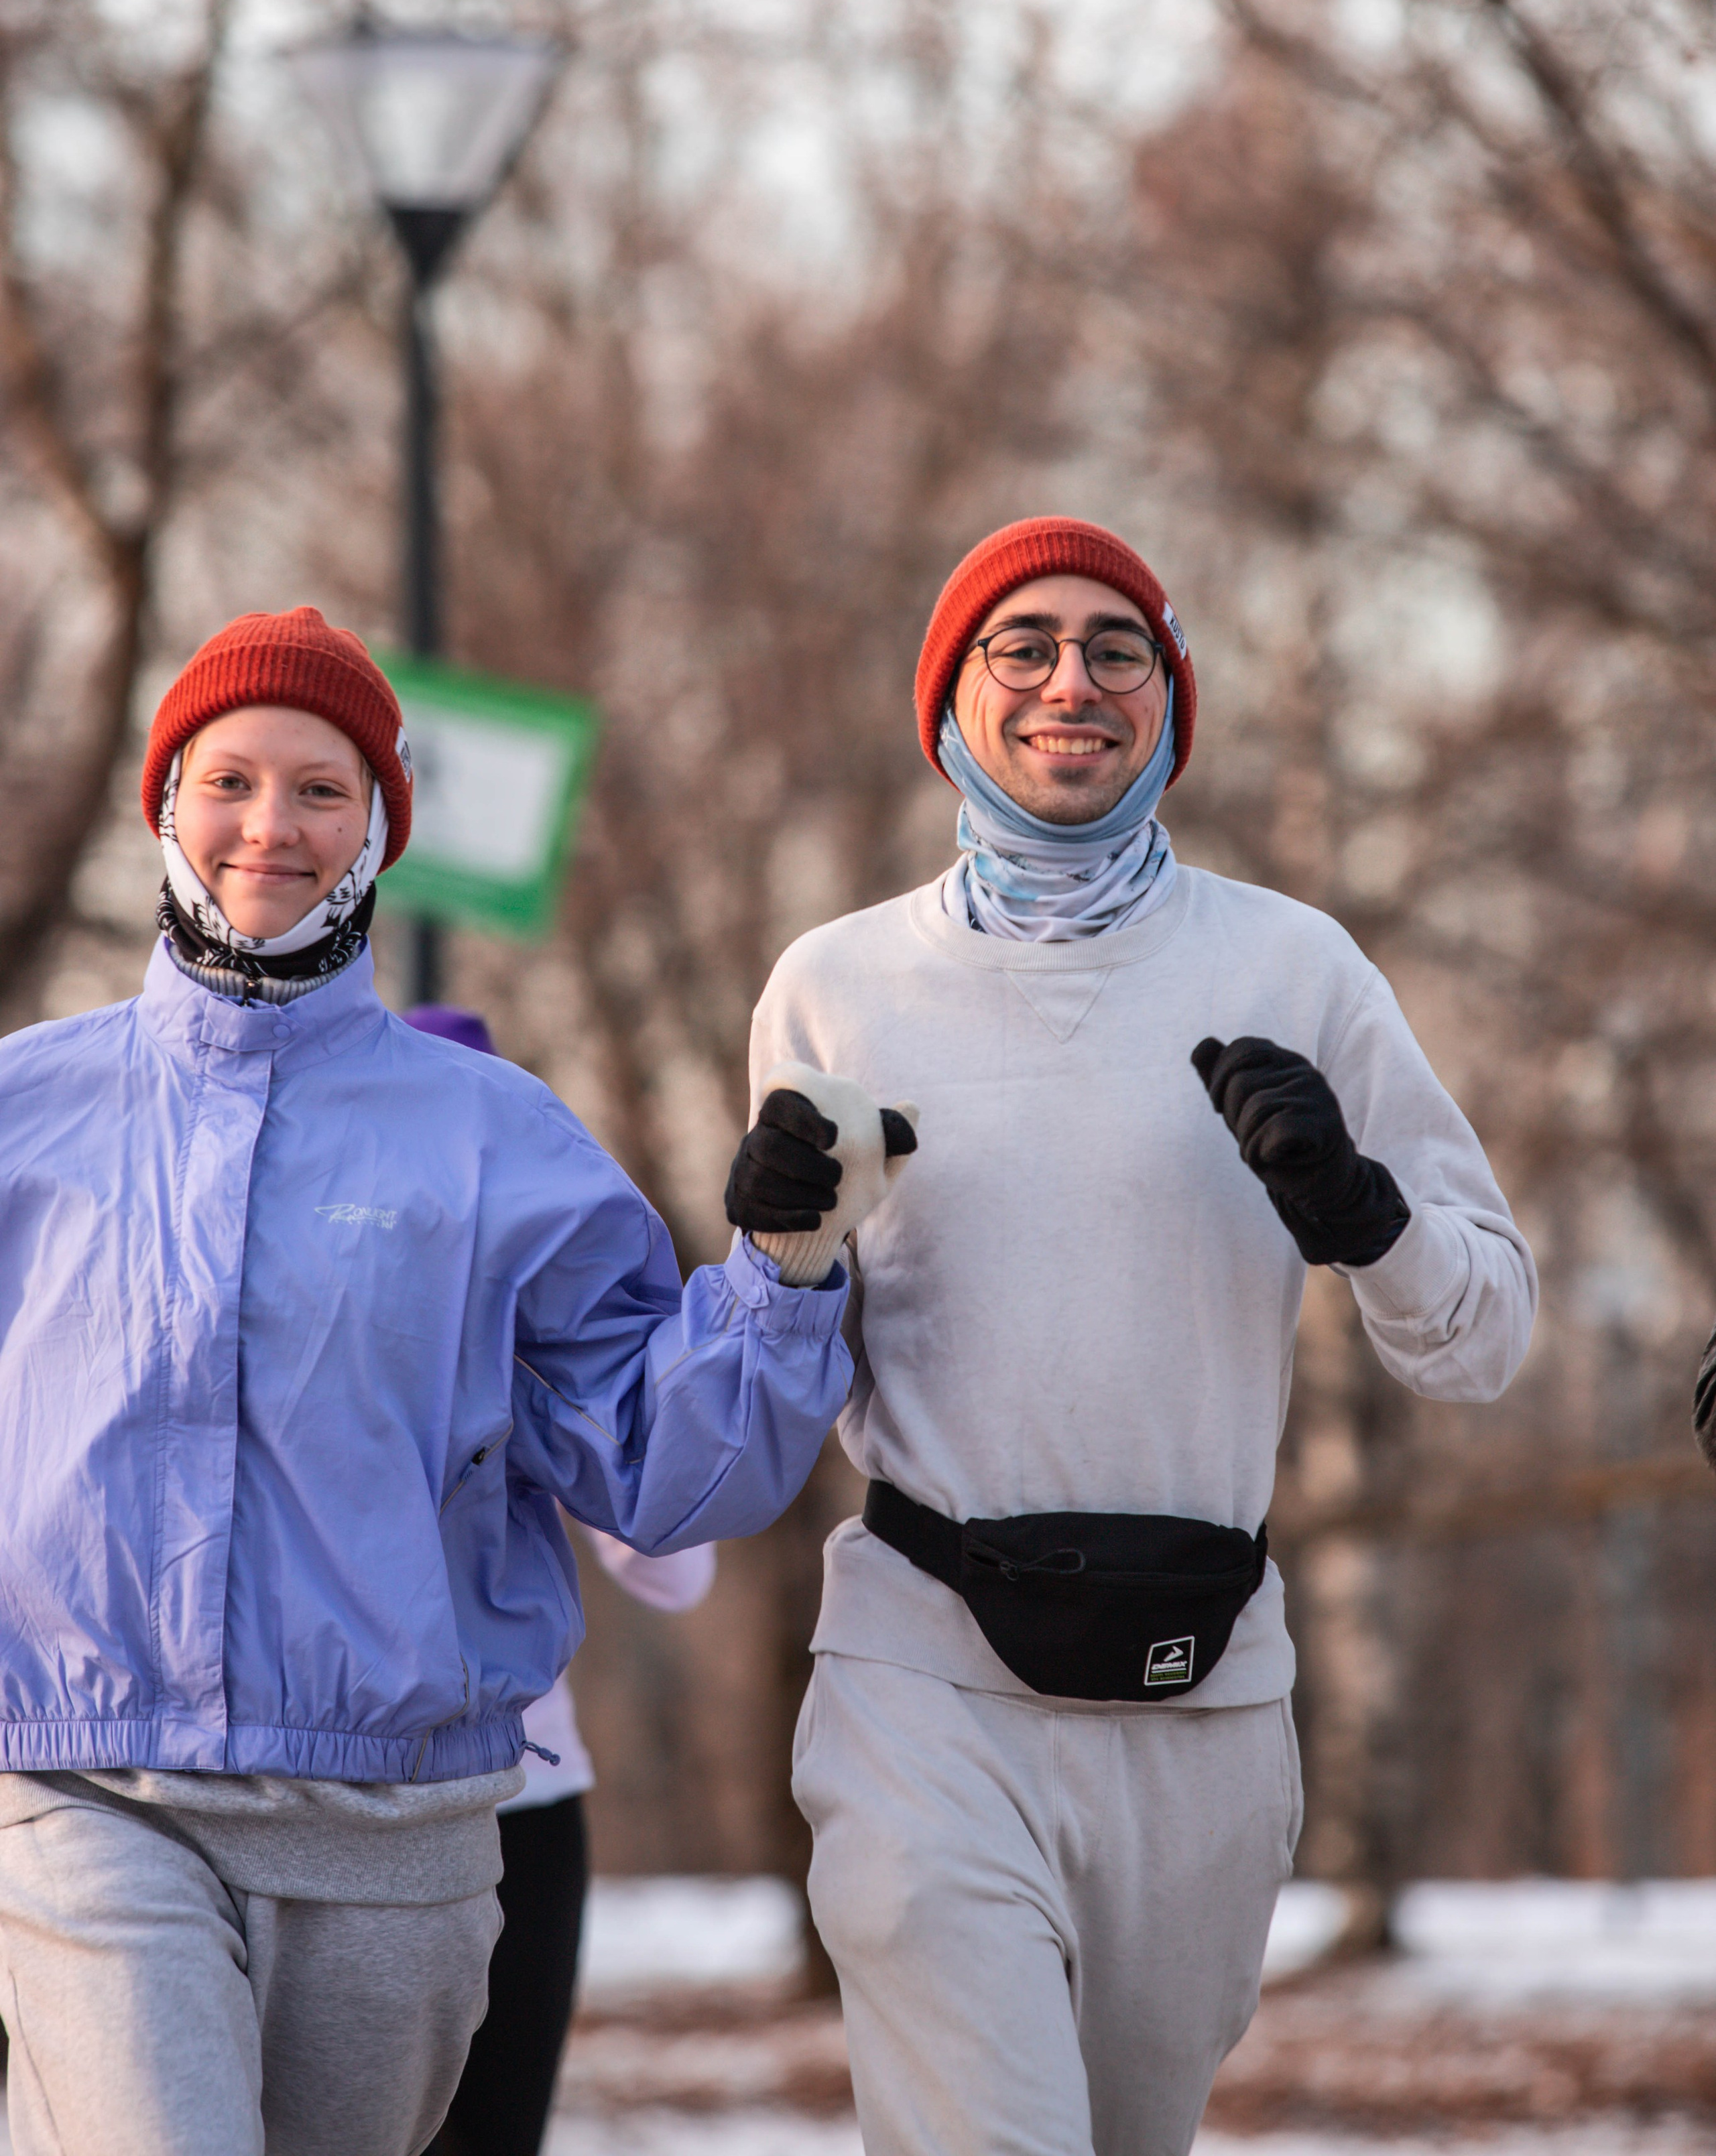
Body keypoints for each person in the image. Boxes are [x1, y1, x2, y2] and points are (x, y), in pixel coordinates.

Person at [0, 606, 913, 2156]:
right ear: (164, 804)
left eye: (319, 790)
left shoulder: (496, 1140)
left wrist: (779, 1273)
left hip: (400, 1832)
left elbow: (657, 1468)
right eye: (228, 781)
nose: (266, 828)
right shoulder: (27, 1114)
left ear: (376, 832)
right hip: (87, 1792)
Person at [739, 517, 1538, 2156]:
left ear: (1166, 700)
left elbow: (1484, 1336)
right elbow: (779, 1354)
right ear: (949, 701)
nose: (1067, 683)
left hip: (1201, 1698)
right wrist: (778, 1258)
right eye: (1017, 646)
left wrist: (1362, 1214)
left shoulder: (1291, 965)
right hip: (923, 1673)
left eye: (1115, 650)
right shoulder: (833, 982)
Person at [404, 1006, 717, 2156]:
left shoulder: (539, 1334)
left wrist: (617, 1402)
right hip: (334, 1801)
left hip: (524, 1801)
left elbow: (675, 1567)